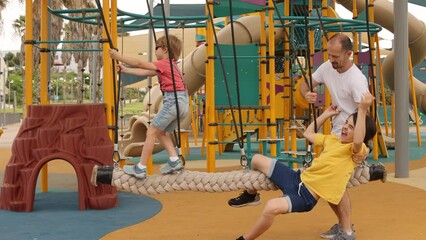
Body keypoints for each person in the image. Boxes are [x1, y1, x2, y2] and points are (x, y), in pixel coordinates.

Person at [229, 33, 370, 240]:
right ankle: (252, 195)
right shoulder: (326, 68)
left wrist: (357, 144)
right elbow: (304, 85)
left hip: (350, 140)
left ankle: (347, 230)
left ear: (349, 54)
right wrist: (307, 95)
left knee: (334, 181)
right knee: (327, 177)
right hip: (333, 136)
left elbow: (361, 121)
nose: (331, 60)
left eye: (336, 56)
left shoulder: (357, 80)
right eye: (329, 55)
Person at [235, 92, 377, 240]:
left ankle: (245, 238)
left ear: (361, 132)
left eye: (352, 127)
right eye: (346, 123)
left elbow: (358, 141)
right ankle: (251, 195)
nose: (345, 127)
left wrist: (361, 110)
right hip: (296, 179)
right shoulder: (333, 140)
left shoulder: (356, 152)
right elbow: (308, 134)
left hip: (305, 196)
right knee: (256, 159)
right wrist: (326, 114)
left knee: (271, 207)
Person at [109, 34, 189, 179]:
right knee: (162, 132)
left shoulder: (164, 63)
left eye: (156, 48)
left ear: (164, 49)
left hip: (173, 101)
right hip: (183, 104)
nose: (155, 51)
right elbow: (145, 72)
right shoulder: (173, 66)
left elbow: (140, 64)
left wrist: (118, 56)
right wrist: (126, 70)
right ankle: (174, 161)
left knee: (151, 132)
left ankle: (141, 168)